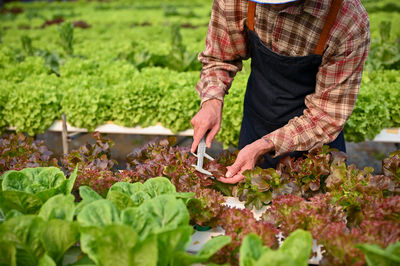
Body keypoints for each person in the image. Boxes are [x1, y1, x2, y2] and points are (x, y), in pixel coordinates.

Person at [190, 0, 370, 184]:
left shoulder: (347, 20)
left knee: (315, 208)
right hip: (257, 122)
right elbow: (218, 58)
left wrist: (263, 145)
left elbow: (327, 115)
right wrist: (212, 101)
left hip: (316, 142)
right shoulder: (235, 2)